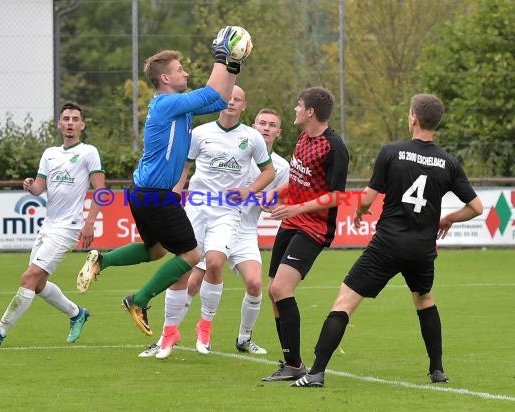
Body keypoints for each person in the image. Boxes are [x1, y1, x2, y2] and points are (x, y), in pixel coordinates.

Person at [291, 93, 484, 388]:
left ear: (413, 118)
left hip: (388, 243)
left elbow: (368, 199)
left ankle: (316, 372)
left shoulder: (391, 152)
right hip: (422, 248)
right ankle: (437, 370)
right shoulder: (449, 162)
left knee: (344, 301)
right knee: (424, 300)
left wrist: (360, 212)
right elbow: (476, 208)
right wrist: (446, 219)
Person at [76, 27, 245, 337]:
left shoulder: (175, 105)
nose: (184, 73)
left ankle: (102, 259)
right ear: (165, 79)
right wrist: (221, 53)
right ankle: (138, 300)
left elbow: (220, 100)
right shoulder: (167, 104)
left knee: (155, 251)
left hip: (143, 192)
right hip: (155, 194)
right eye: (179, 70)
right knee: (192, 256)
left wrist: (232, 65)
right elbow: (210, 92)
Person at [138, 107, 289, 359]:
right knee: (192, 279)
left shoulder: (280, 166)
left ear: (279, 132)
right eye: (262, 123)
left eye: (272, 125)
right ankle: (167, 336)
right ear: (253, 124)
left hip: (244, 230)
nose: (266, 128)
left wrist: (269, 198)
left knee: (254, 283)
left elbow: (279, 190)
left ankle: (244, 338)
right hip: (215, 221)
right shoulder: (239, 146)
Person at [0, 102, 105, 347]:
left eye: (75, 119)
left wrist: (89, 222)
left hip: (69, 227)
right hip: (48, 226)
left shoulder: (88, 152)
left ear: (82, 125)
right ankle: (77, 314)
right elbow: (39, 189)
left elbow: (101, 191)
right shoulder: (49, 154)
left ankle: (0, 331)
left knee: (29, 278)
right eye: (66, 118)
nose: (70, 123)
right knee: (39, 284)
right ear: (59, 124)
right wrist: (30, 186)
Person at [261, 87, 349, 382]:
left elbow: (337, 196)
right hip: (293, 222)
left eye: (299, 106)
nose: (295, 110)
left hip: (313, 227)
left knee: (280, 289)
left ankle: (296, 364)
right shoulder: (302, 138)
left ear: (311, 112)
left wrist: (296, 208)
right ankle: (292, 364)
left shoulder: (334, 147)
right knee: (274, 291)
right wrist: (277, 192)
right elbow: (299, 181)